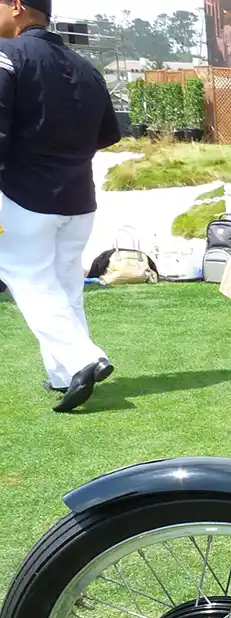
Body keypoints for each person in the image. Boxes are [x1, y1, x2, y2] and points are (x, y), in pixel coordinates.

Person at [0, 0, 121, 412]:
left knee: (26, 276)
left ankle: (83, 358)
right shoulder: (86, 67)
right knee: (64, 284)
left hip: (24, 195)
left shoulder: (7, 55)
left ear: (17, 7)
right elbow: (109, 133)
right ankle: (62, 373)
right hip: (78, 197)